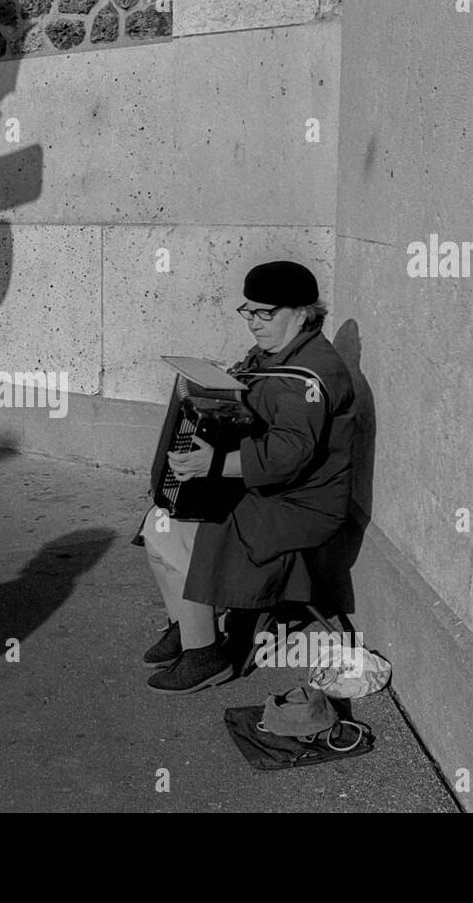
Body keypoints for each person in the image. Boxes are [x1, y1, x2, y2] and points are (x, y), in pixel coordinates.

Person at [137, 260, 356, 694]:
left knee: (192, 532)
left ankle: (205, 654)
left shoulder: (312, 375)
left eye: (265, 313)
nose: (254, 323)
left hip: (298, 503)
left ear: (303, 311)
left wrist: (214, 466)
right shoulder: (279, 353)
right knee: (157, 523)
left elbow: (289, 453)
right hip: (269, 487)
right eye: (249, 312)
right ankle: (187, 623)